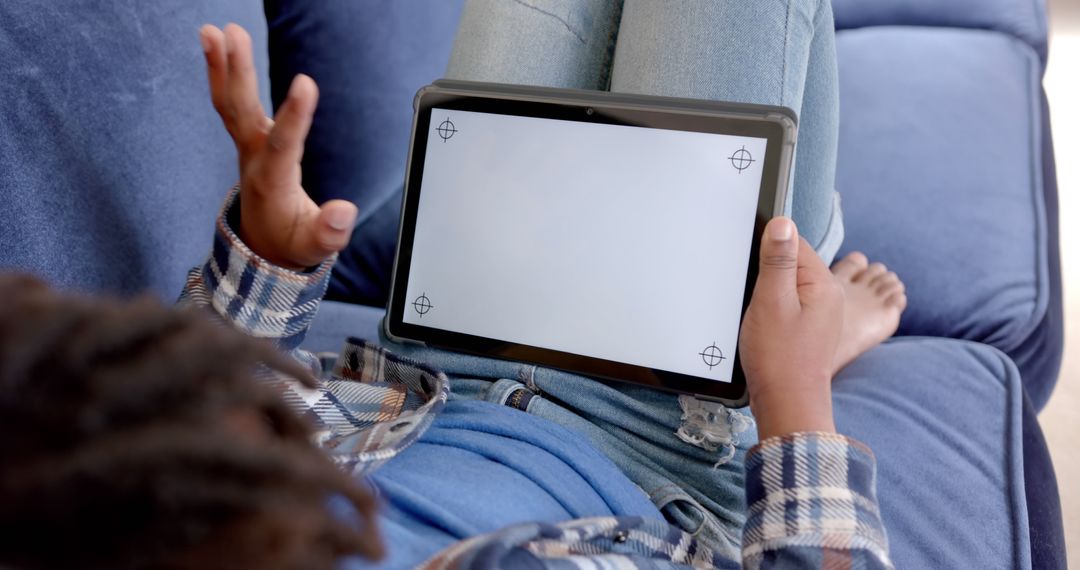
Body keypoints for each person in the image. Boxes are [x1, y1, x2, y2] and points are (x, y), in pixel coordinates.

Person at [0, 0, 907, 567]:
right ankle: (807, 313)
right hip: (665, 432)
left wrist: (270, 261)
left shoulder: (130, 511)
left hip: (446, 342)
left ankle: (804, 294)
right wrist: (797, 410)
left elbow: (198, 408)